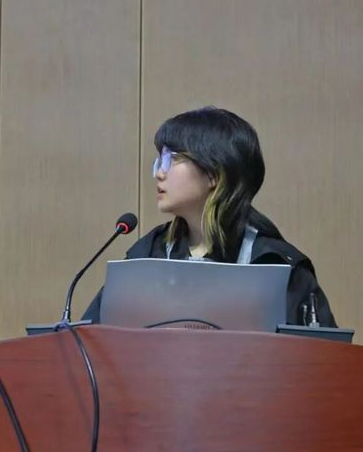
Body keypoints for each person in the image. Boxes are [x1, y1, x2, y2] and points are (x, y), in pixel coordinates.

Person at [83, 106, 336, 327]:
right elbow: (88, 340)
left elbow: (321, 358)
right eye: (159, 161)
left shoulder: (277, 266)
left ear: (214, 173)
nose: (159, 173)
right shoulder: (147, 254)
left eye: (172, 159)